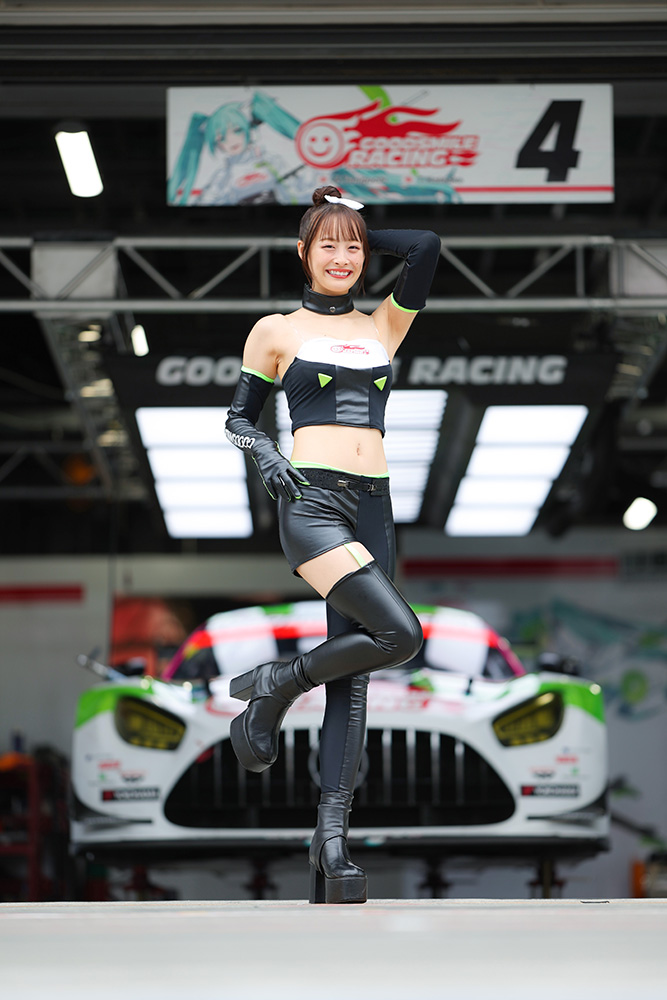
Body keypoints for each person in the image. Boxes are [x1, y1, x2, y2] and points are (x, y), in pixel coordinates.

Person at [224, 186, 441, 903]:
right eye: (328, 244)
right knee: (400, 634)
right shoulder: (276, 329)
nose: (343, 257)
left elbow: (425, 248)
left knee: (356, 676)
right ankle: (276, 687)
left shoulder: (383, 325)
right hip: (312, 502)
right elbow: (238, 419)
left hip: (375, 506)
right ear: (303, 253)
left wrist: (354, 218)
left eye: (352, 247)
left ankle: (331, 838)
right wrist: (263, 451)